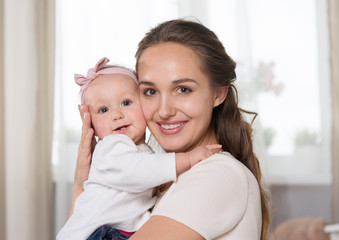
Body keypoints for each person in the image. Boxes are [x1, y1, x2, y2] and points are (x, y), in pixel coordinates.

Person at [72, 19, 270, 240]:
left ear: (218, 94)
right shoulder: (158, 180)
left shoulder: (216, 175)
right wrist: (83, 182)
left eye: (183, 89)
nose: (164, 111)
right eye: (150, 91)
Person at [57, 57, 220, 240]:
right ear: (91, 124)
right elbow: (140, 170)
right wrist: (187, 159)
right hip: (99, 234)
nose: (117, 115)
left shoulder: (139, 150)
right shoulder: (111, 149)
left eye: (126, 103)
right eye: (103, 110)